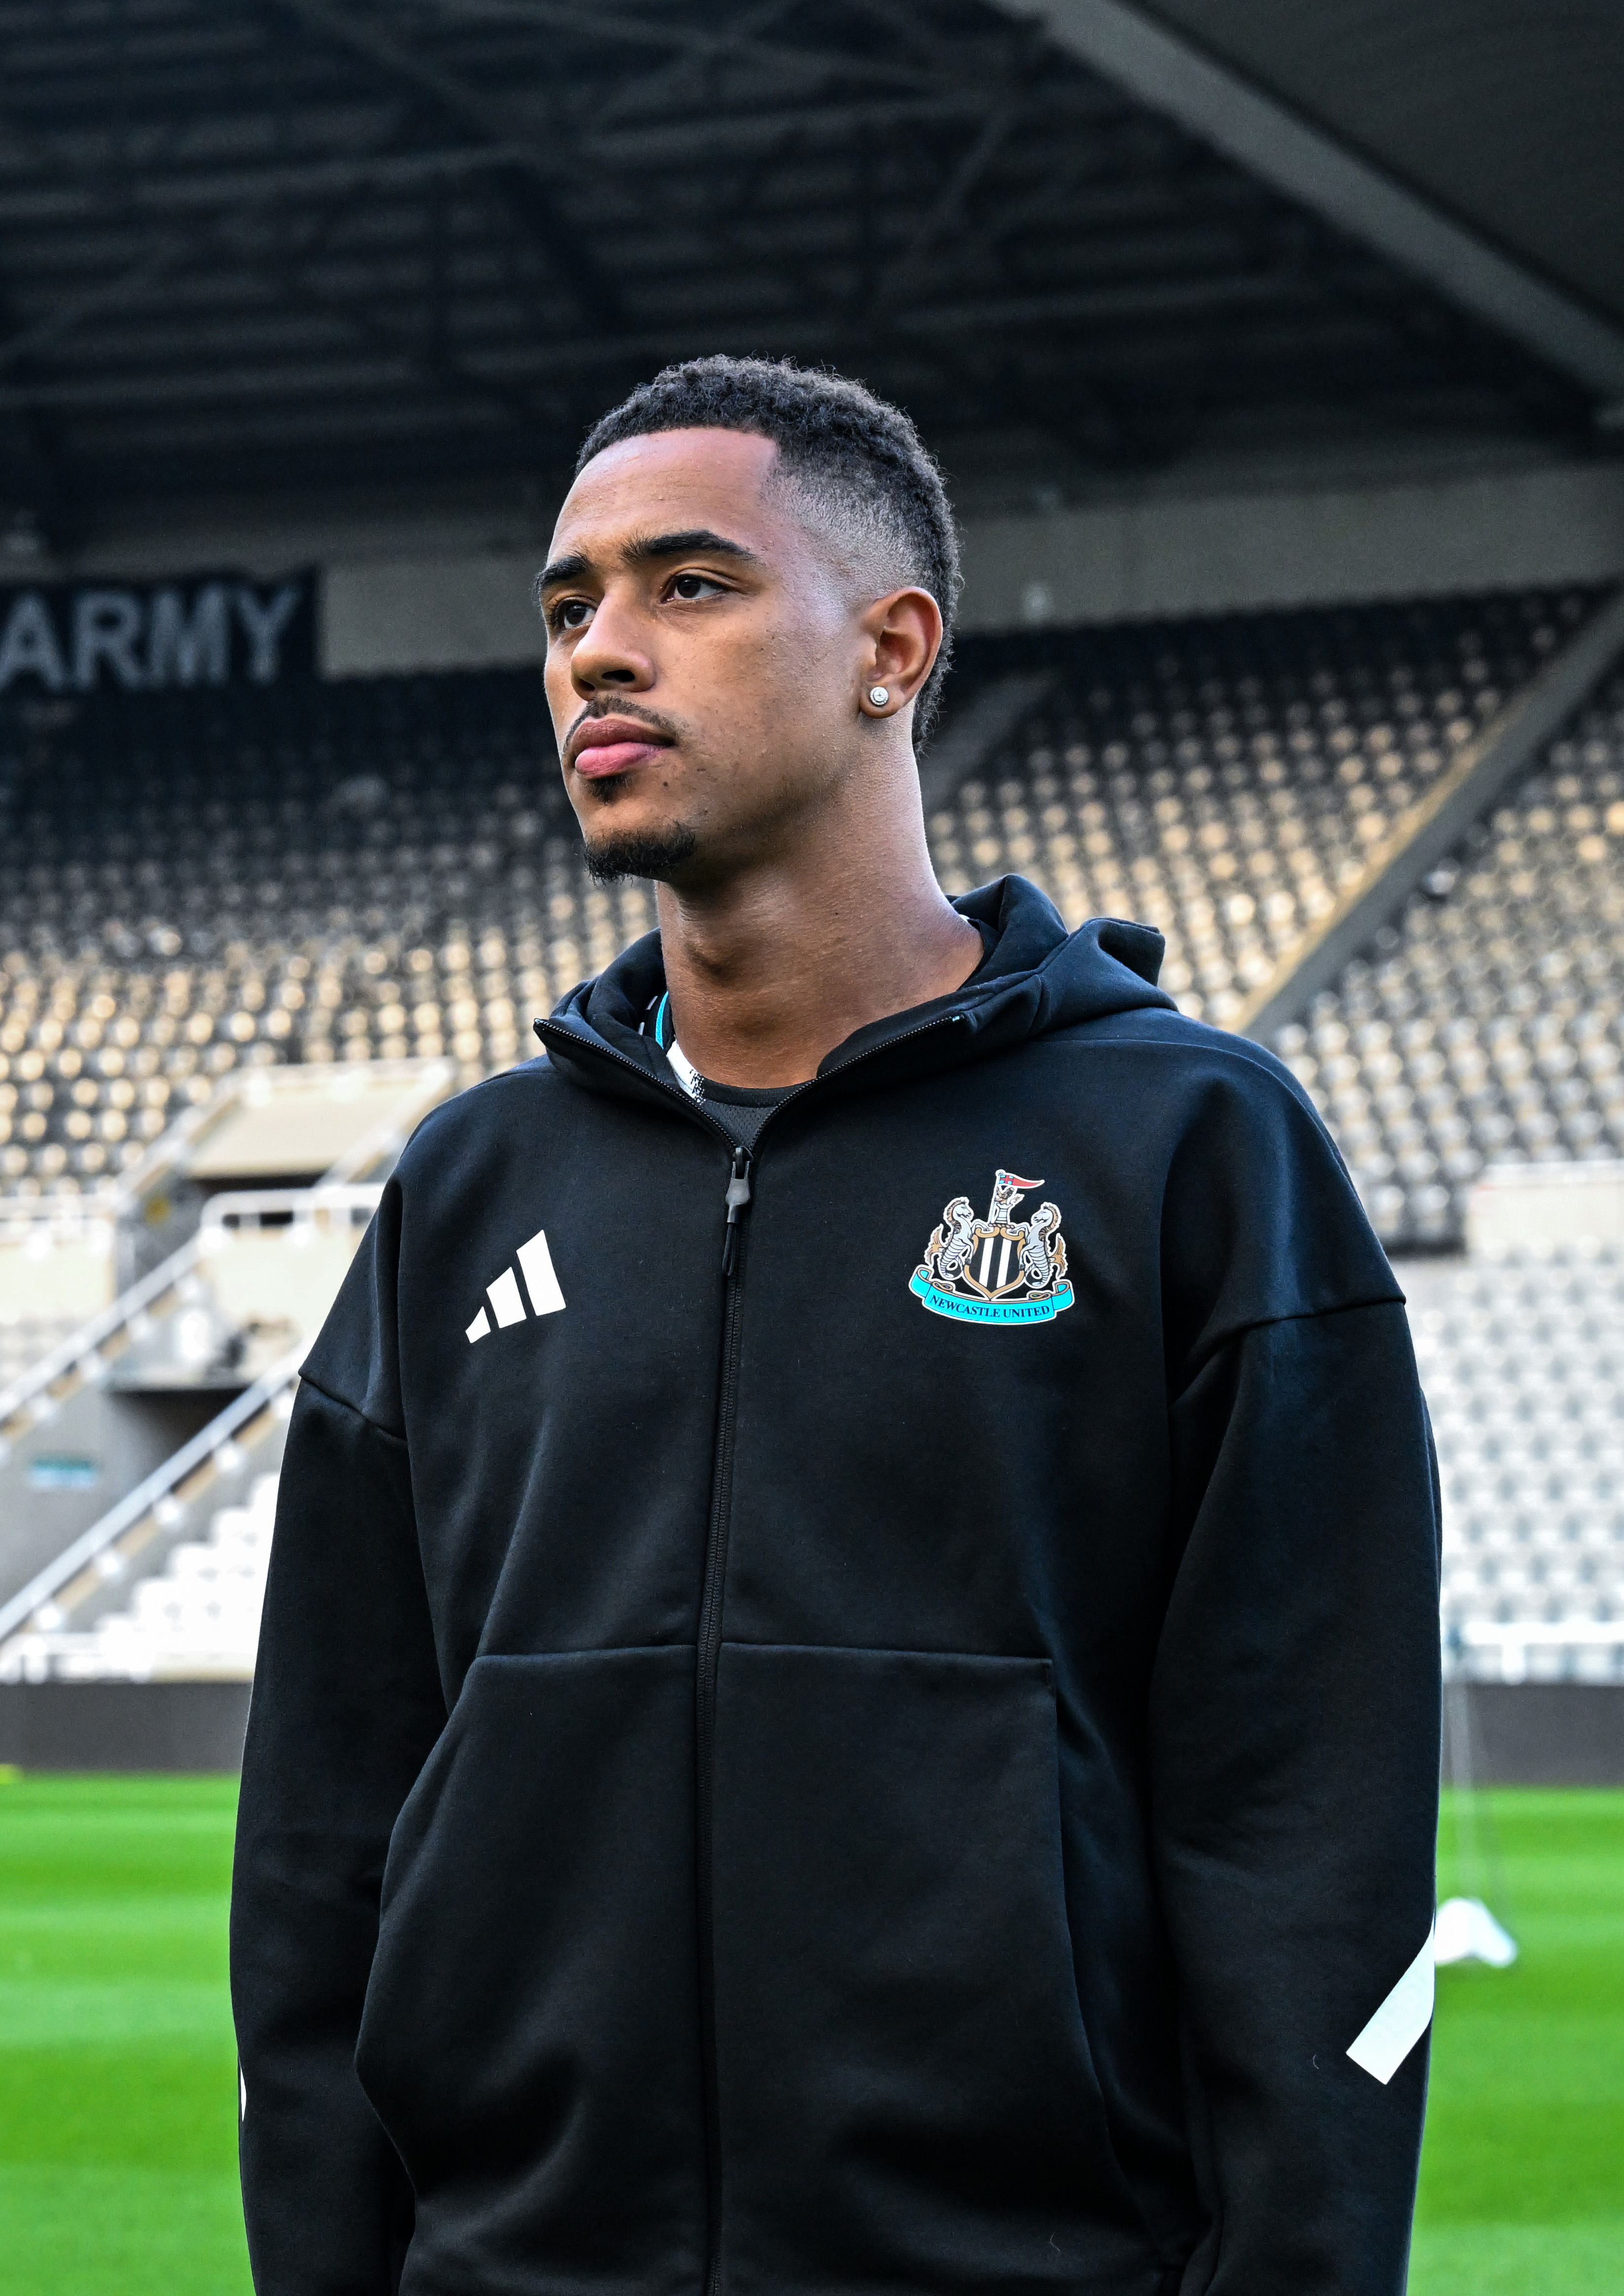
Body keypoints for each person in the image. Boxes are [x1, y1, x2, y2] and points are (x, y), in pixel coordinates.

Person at [231, 357, 1440, 2296]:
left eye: (686, 587)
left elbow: (1311, 1846)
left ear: (893, 647)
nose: (598, 655)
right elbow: (320, 1852)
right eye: (567, 607)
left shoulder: (1186, 1147)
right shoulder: (467, 1188)